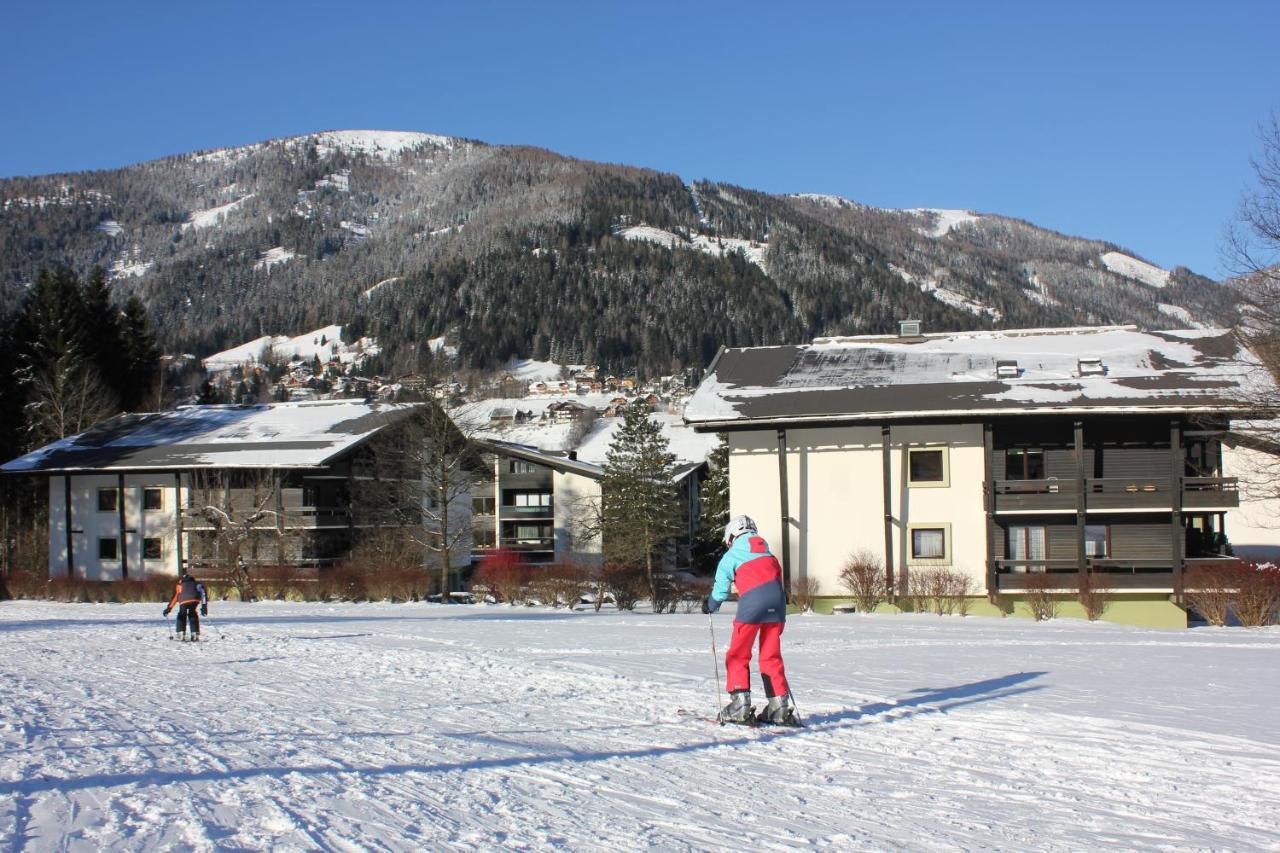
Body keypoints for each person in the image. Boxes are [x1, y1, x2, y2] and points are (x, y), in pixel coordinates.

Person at [702, 515, 797, 726]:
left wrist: (711, 604)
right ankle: (779, 706)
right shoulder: (769, 555)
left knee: (739, 653)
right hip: (777, 606)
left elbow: (721, 588)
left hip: (752, 607)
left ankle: (740, 705)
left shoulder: (732, 555)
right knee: (770, 655)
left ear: (732, 536)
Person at [164, 570, 208, 641]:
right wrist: (204, 607)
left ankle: (181, 633)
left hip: (184, 601)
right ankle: (195, 633)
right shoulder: (197, 584)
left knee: (182, 614)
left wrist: (169, 608)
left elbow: (175, 597)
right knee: (193, 614)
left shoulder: (180, 585)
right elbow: (203, 594)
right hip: (195, 600)